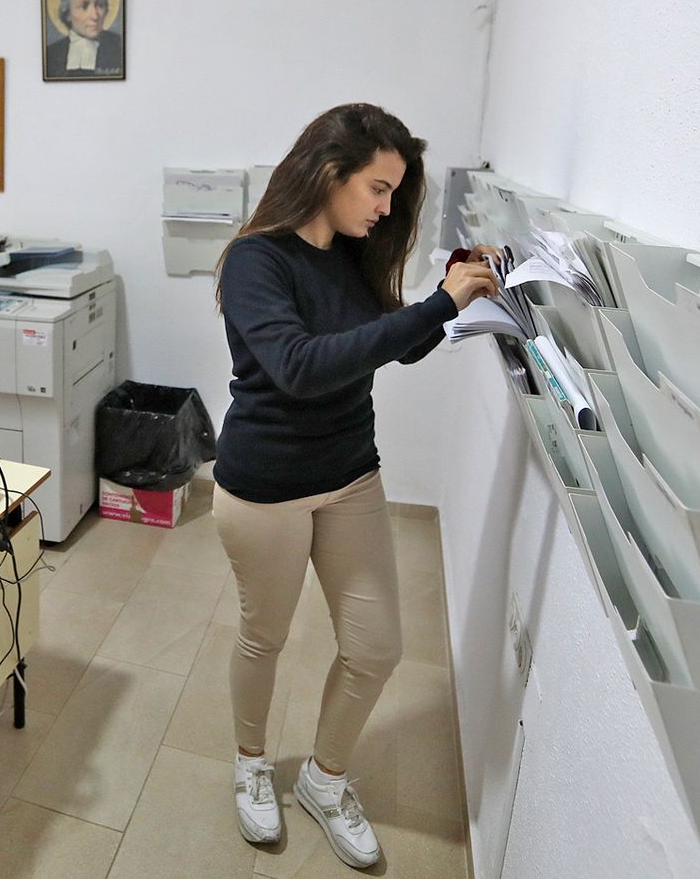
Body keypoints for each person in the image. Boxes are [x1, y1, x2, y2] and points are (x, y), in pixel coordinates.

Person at [213, 103, 499, 868]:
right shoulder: (255, 261)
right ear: (328, 172)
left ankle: (324, 777)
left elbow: (395, 349)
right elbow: (301, 365)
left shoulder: (354, 251)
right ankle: (249, 762)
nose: (384, 208)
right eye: (378, 188)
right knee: (263, 636)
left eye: (394, 194)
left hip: (349, 476)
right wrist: (441, 304)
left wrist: (450, 295)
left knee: (376, 647)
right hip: (263, 487)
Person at [44, 0, 122, 78]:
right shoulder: (51, 54)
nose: (95, 16)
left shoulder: (119, 46)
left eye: (100, 5)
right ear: (67, 13)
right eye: (84, 6)